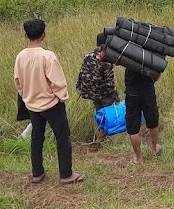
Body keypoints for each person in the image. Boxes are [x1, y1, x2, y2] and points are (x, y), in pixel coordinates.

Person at [13, 19, 85, 184]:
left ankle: (37, 173)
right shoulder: (48, 56)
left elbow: (17, 80)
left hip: (31, 104)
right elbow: (57, 82)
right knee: (63, 137)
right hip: (51, 104)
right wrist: (62, 98)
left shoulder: (20, 56)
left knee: (37, 137)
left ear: (25, 35)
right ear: (44, 35)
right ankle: (66, 174)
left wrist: (26, 95)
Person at [76, 32, 118, 146]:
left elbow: (81, 74)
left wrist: (80, 89)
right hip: (104, 93)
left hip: (92, 92)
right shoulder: (106, 58)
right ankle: (103, 139)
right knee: (109, 115)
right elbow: (109, 81)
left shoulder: (87, 56)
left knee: (99, 113)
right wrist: (115, 95)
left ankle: (101, 136)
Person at [125, 45, 163, 165]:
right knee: (153, 120)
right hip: (147, 91)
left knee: (133, 126)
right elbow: (157, 76)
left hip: (131, 93)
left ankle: (139, 157)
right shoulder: (151, 57)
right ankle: (154, 149)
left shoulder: (129, 53)